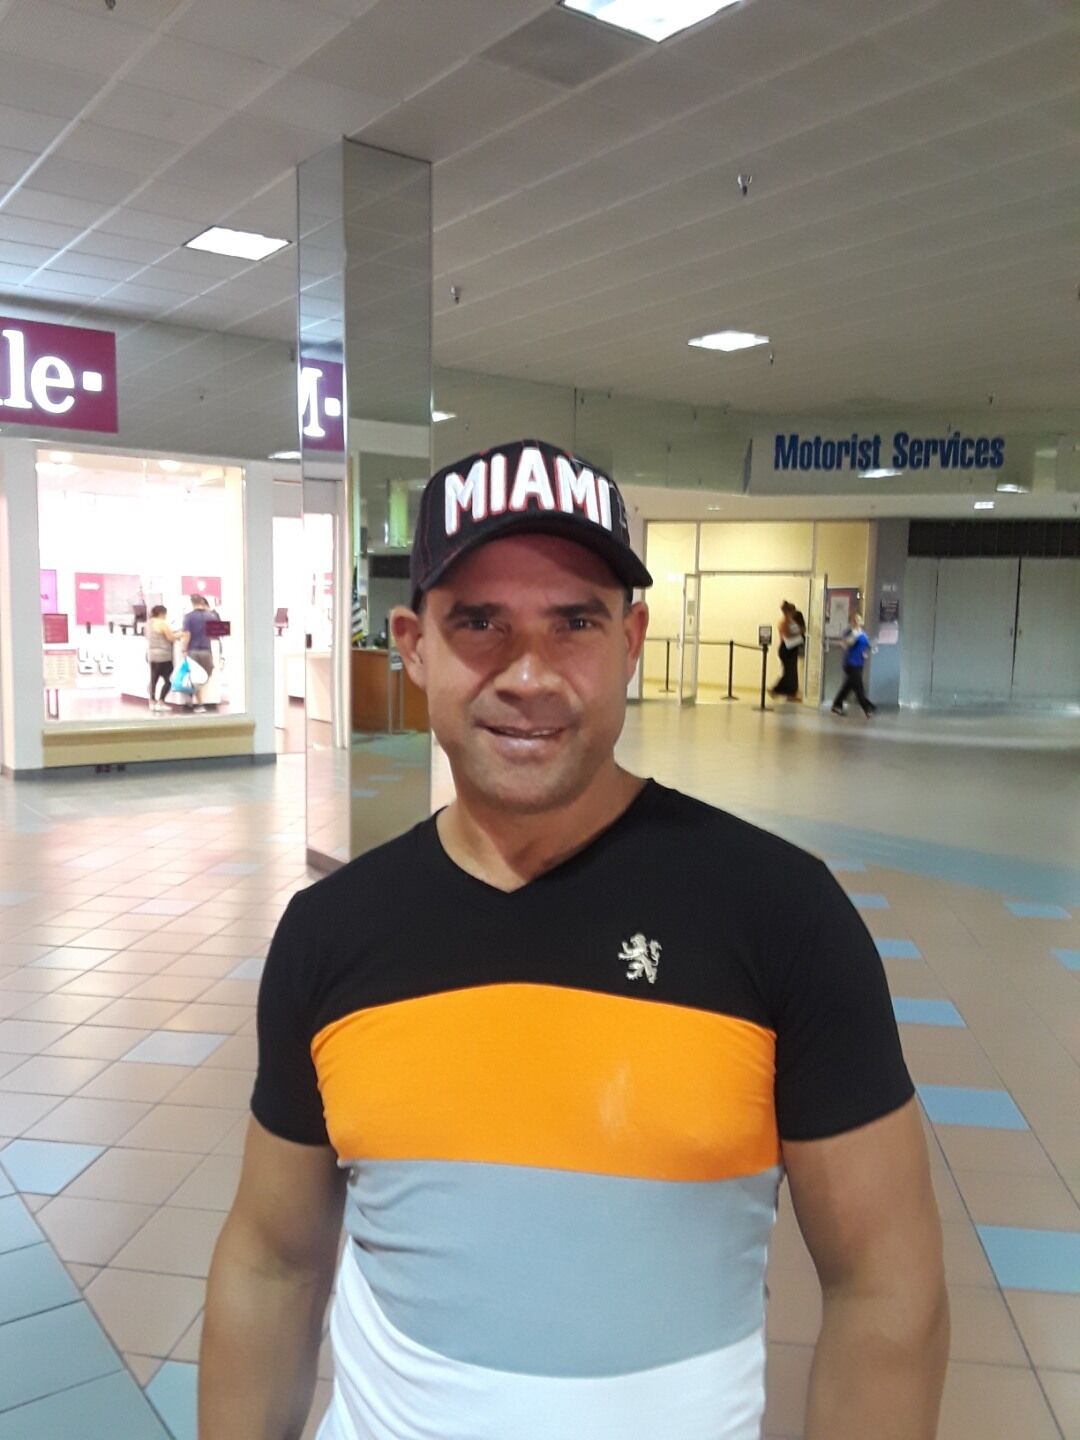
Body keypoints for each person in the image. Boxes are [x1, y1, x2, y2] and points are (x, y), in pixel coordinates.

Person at [201, 441, 947, 1440]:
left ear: (631, 640)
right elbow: (271, 1264)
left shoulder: (782, 916)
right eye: (480, 623)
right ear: (413, 646)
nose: (530, 675)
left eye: (576, 623)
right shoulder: (334, 933)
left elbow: (886, 1287)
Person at [831, 612, 877, 717]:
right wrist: (851, 639)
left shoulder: (863, 633)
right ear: (851, 621)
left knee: (849, 686)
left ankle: (837, 705)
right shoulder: (849, 632)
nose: (857, 622)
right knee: (858, 687)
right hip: (851, 663)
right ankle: (867, 707)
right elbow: (845, 644)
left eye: (859, 619)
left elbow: (865, 646)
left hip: (859, 662)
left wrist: (866, 651)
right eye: (855, 619)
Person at [180, 593, 217, 714]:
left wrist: (184, 649)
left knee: (195, 677)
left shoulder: (188, 617)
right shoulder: (211, 616)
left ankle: (197, 701)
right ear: (202, 602)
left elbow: (187, 635)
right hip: (207, 650)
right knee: (206, 675)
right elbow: (215, 635)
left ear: (192, 603)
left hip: (193, 650)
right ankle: (196, 698)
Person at [146, 604, 179, 713]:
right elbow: (170, 637)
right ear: (162, 613)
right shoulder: (162, 623)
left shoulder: (148, 624)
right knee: (169, 680)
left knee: (153, 679)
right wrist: (180, 634)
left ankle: (152, 702)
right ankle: (161, 702)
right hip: (163, 656)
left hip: (152, 655)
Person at [769, 599, 804, 700]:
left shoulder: (791, 621)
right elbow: (787, 635)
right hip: (786, 649)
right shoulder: (784, 622)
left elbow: (798, 630)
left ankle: (791, 693)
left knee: (792, 672)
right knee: (788, 672)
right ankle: (775, 690)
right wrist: (799, 632)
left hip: (792, 648)